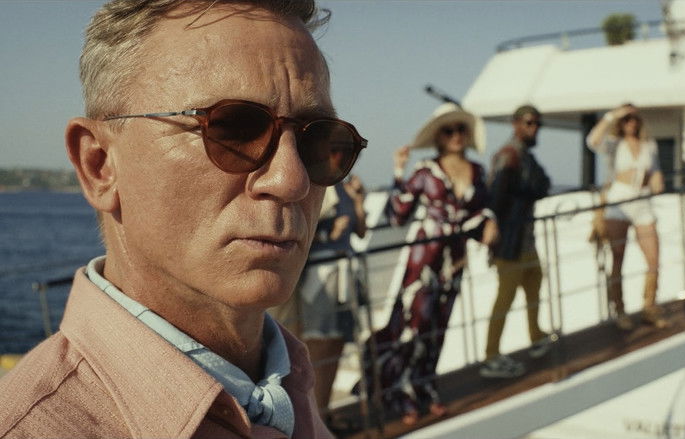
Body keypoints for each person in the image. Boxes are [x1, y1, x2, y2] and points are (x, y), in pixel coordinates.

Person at [0, 1, 367, 438]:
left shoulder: (288, 384)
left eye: (319, 140)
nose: (292, 180)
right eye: (233, 130)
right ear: (99, 165)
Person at [362, 103, 498, 425]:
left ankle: (426, 388)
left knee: (439, 328)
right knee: (415, 324)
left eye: (460, 129)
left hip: (455, 261)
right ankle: (402, 393)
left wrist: (491, 221)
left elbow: (483, 209)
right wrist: (398, 170)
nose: (456, 135)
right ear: (438, 137)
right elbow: (398, 214)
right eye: (448, 130)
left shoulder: (478, 171)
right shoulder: (425, 171)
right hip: (424, 259)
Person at [480, 104, 552, 380]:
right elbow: (496, 197)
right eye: (529, 123)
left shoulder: (523, 157)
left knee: (534, 284)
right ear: (516, 124)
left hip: (525, 241)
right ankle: (491, 355)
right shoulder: (509, 156)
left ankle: (536, 336)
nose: (534, 129)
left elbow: (543, 185)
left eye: (537, 124)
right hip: (510, 243)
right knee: (505, 298)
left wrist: (526, 190)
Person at [586, 104, 667, 331]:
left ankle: (649, 306)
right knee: (618, 257)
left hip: (643, 200)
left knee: (653, 258)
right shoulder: (614, 144)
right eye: (627, 119)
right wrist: (612, 115)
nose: (631, 123)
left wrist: (657, 180)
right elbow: (593, 141)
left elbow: (656, 169)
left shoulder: (649, 145)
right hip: (619, 201)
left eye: (633, 119)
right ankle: (619, 309)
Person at [298, 176, 366, 419]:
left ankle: (324, 412)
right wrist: (329, 234)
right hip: (321, 276)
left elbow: (361, 232)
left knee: (337, 343)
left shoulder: (346, 188)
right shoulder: (317, 185)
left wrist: (359, 201)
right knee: (318, 344)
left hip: (344, 275)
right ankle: (316, 416)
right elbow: (300, 230)